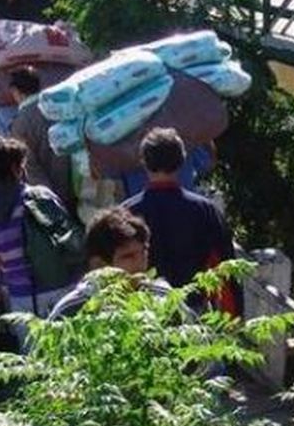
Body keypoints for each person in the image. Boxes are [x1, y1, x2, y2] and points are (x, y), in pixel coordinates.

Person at [0, 136, 78, 323]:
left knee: (33, 350)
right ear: (17, 169)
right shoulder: (43, 195)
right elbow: (70, 235)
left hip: (23, 298)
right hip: (65, 287)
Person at [123, 127, 234, 293]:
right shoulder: (205, 210)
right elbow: (225, 273)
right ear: (182, 160)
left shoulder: (126, 214)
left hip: (143, 313)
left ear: (144, 162)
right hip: (194, 312)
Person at [47, 206, 168, 321]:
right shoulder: (71, 311)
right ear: (99, 265)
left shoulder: (163, 297)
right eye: (128, 256)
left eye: (144, 252)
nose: (141, 263)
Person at [7, 66, 75, 211]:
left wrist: (49, 202)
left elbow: (30, 167)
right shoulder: (58, 109)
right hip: (75, 189)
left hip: (50, 199)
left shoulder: (21, 123)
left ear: (15, 90)